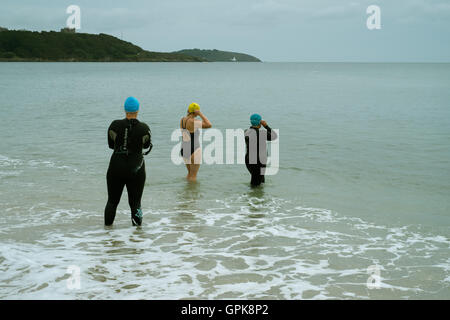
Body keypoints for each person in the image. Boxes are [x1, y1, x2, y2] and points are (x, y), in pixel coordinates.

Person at [104, 96, 153, 226]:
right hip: (136, 167)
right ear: (138, 110)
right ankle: (136, 238)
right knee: (136, 202)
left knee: (112, 201)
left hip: (116, 166)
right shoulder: (144, 128)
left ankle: (107, 234)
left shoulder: (114, 125)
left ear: (125, 110)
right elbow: (146, 146)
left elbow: (111, 145)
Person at [180, 102, 212, 182]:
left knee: (189, 174)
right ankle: (193, 193)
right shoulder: (193, 121)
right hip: (194, 149)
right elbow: (209, 125)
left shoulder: (182, 120)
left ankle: (186, 193)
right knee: (193, 176)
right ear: (196, 112)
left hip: (184, 148)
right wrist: (200, 114)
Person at [244, 113, 277, 187]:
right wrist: (266, 126)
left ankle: (257, 197)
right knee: (255, 184)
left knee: (260, 181)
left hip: (249, 160)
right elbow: (274, 136)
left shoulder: (246, 131)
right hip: (258, 162)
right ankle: (252, 197)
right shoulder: (262, 133)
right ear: (260, 122)